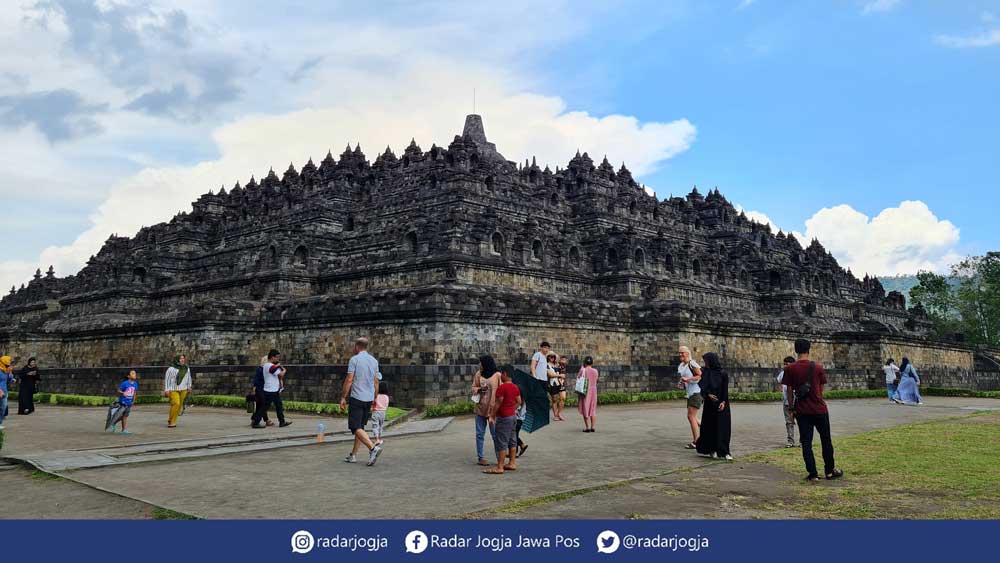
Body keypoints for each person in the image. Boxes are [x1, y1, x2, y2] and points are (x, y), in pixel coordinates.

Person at [782, 338, 843, 482]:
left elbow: (789, 390)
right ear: (809, 350)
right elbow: (821, 388)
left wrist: (791, 408)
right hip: (819, 409)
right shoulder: (818, 367)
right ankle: (829, 470)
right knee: (826, 439)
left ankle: (813, 473)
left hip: (802, 411)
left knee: (806, 442)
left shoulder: (789, 369)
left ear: (796, 350)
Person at [341, 337, 382, 466]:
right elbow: (376, 382)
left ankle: (372, 447)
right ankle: (353, 455)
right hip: (368, 398)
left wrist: (343, 397)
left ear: (357, 346)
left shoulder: (355, 360)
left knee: (355, 426)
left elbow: (349, 380)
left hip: (357, 397)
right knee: (360, 427)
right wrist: (375, 398)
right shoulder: (374, 361)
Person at [484, 367, 522, 474]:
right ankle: (512, 463)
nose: (500, 375)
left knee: (502, 441)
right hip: (513, 416)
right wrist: (512, 409)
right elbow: (519, 401)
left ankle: (500, 467)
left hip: (504, 418)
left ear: (505, 374)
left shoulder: (502, 387)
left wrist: (492, 415)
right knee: (512, 440)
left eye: (501, 373)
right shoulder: (515, 387)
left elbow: (498, 402)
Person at [695, 352, 732, 460]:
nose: (705, 363)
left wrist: (723, 402)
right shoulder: (705, 372)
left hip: (722, 403)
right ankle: (712, 449)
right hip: (709, 405)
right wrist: (708, 394)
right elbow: (701, 386)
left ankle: (725, 452)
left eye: (706, 361)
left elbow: (725, 390)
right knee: (709, 427)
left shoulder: (722, 373)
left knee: (723, 427)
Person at [472, 355, 501, 466]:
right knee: (480, 434)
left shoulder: (497, 375)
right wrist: (479, 389)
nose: (480, 365)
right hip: (480, 408)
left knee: (496, 435)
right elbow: (473, 387)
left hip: (493, 410)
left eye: (481, 362)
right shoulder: (478, 374)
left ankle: (499, 457)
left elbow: (501, 390)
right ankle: (481, 458)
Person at [253, 350, 291, 428]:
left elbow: (277, 373)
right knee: (264, 407)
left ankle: (282, 421)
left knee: (278, 406)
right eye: (277, 357)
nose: (278, 359)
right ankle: (256, 422)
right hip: (270, 390)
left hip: (273, 390)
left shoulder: (270, 365)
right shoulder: (268, 365)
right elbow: (280, 374)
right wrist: (284, 370)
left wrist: (278, 367)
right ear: (272, 357)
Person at [677, 345, 703, 449]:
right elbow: (684, 378)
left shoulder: (692, 363)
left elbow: (700, 375)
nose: (680, 354)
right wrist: (681, 383)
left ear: (688, 353)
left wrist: (688, 380)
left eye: (682, 352)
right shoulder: (681, 365)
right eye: (679, 353)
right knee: (693, 417)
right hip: (690, 393)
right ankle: (710, 429)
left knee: (691, 416)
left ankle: (697, 441)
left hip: (697, 392)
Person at [163, 354, 193, 428]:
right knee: (176, 403)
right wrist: (166, 390)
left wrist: (189, 386)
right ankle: (171, 421)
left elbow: (189, 378)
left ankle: (172, 420)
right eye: (180, 358)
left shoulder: (186, 368)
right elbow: (167, 380)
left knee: (179, 406)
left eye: (183, 358)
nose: (182, 360)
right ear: (177, 359)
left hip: (184, 389)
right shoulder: (171, 369)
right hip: (173, 389)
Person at [777, 356, 796, 447]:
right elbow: (779, 382)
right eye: (784, 364)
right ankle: (791, 441)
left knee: (801, 421)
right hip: (786, 402)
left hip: (797, 402)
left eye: (787, 364)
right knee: (789, 422)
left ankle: (802, 440)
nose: (785, 366)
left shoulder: (797, 373)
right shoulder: (782, 373)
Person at [577, 356, 599, 432]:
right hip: (593, 391)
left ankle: (587, 427)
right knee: (593, 409)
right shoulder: (595, 371)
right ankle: (593, 427)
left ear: (585, 362)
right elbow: (596, 380)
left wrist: (582, 368)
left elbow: (579, 378)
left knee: (585, 408)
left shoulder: (583, 370)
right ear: (592, 363)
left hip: (585, 391)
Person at [250, 356, 273, 427]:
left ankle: (256, 419)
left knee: (260, 405)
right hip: (260, 390)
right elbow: (256, 380)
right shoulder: (260, 369)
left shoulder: (263, 369)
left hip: (262, 389)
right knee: (263, 405)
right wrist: (254, 388)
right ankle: (257, 420)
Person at [116, 370, 139, 435]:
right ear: (128, 376)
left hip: (129, 402)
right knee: (124, 416)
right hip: (123, 402)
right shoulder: (125, 383)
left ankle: (114, 422)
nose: (134, 375)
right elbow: (118, 390)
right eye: (132, 373)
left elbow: (134, 393)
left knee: (124, 415)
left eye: (135, 373)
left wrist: (133, 401)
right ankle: (124, 430)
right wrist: (123, 393)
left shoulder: (135, 384)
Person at [546, 352, 566, 421]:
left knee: (563, 398)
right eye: (550, 357)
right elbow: (550, 374)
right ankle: (555, 415)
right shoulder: (547, 365)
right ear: (548, 357)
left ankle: (559, 413)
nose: (552, 358)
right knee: (554, 400)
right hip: (552, 384)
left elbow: (559, 358)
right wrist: (560, 375)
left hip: (561, 383)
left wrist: (554, 354)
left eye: (553, 357)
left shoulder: (558, 364)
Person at [372, 382, 390, 447]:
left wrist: (372, 408)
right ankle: (379, 438)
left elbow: (373, 403)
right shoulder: (386, 397)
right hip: (383, 412)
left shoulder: (376, 396)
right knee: (380, 426)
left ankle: (376, 439)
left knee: (375, 425)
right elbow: (386, 405)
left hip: (376, 412)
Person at [0, 355, 13, 430]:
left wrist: (11, 376)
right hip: (0, 391)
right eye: (8, 361)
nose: (9, 363)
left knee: (3, 408)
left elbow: (8, 380)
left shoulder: (6, 370)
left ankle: (0, 422)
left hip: (4, 392)